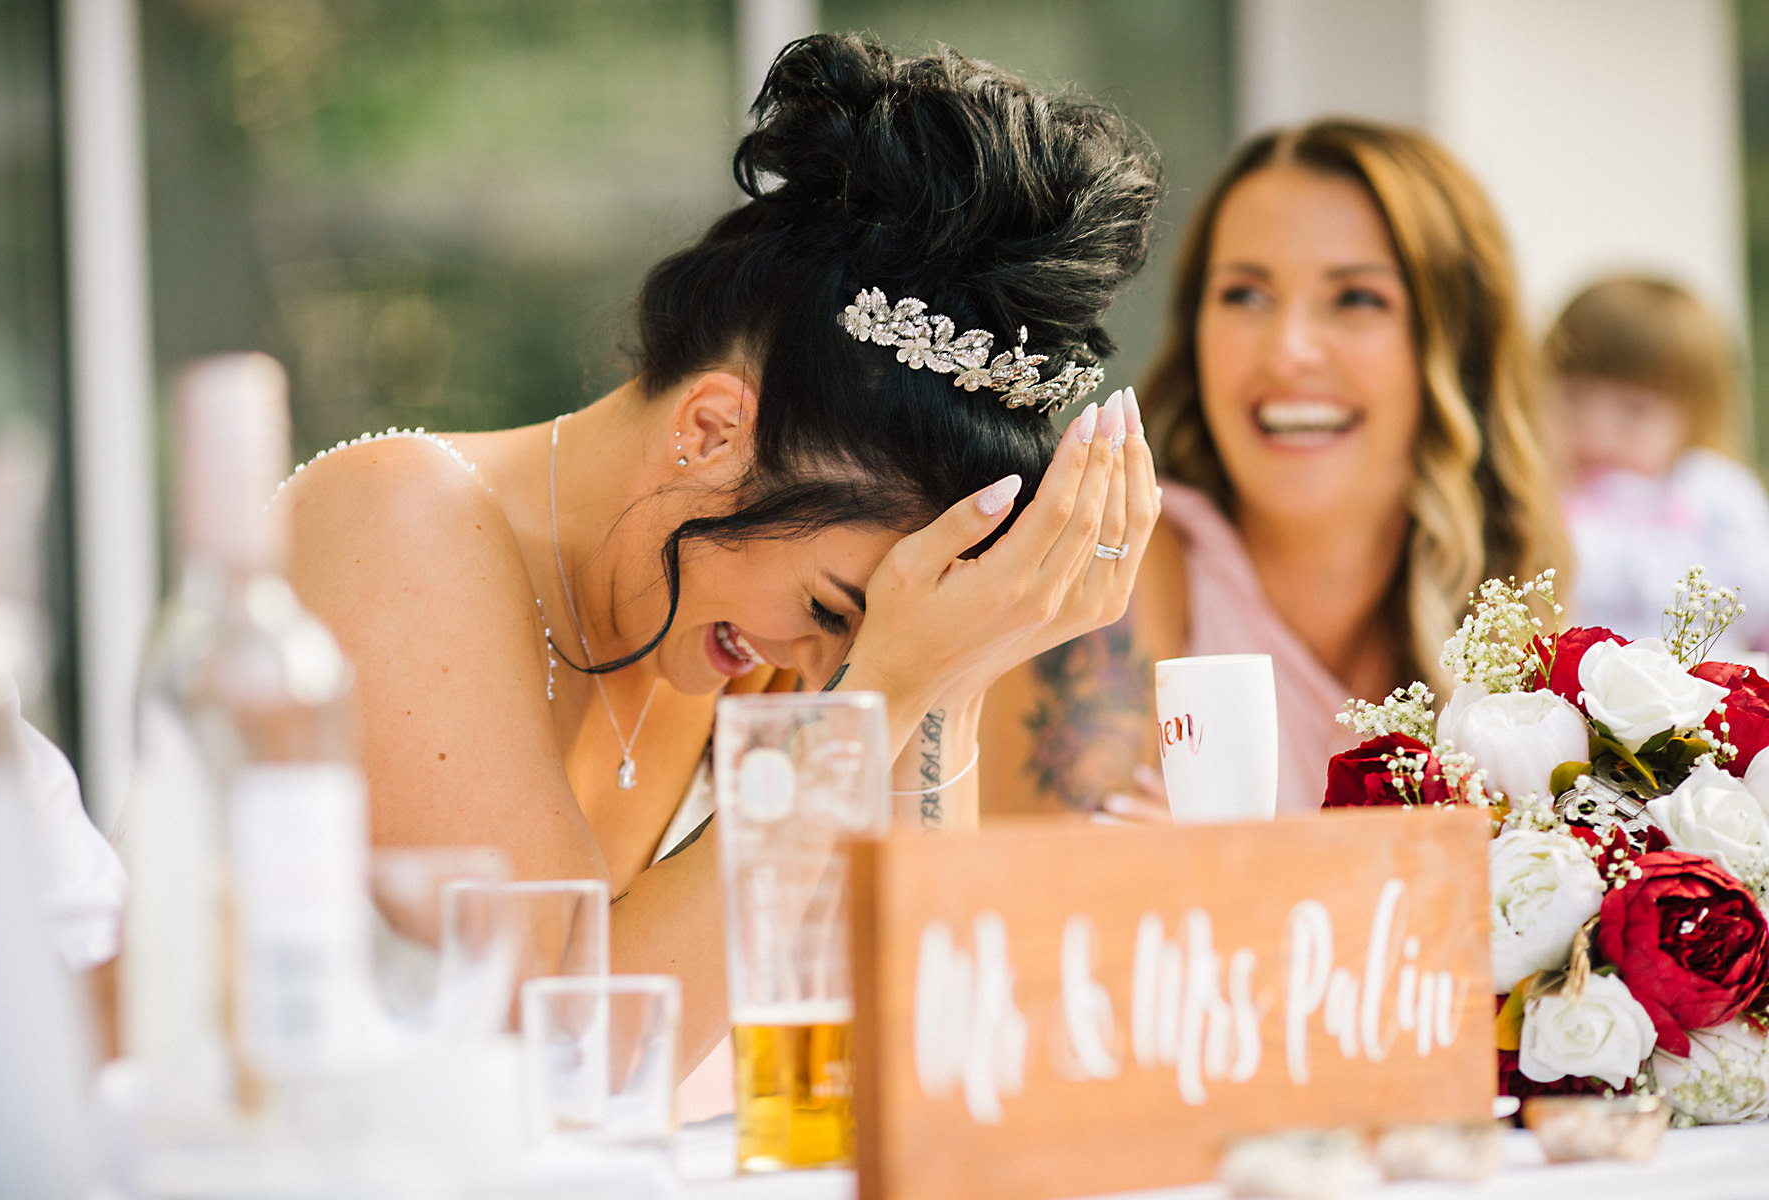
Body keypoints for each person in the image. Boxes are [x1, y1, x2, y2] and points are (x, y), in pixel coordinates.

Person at [278, 33, 1162, 1077]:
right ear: (709, 430)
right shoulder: (397, 521)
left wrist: (948, 677)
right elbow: (567, 1051)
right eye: (834, 608)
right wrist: (881, 692)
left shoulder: (744, 631)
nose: (823, 660)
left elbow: (917, 1034)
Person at [979, 119, 1567, 818]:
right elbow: (1059, 878)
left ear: (1456, 350)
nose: (1288, 351)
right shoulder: (1116, 569)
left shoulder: (1521, 616)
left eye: (1357, 298)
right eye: (1246, 294)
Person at [1544, 275, 1769, 654]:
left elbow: (1759, 594)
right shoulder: (1545, 496)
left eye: (1634, 412)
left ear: (1695, 416)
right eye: (1573, 398)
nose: (1597, 433)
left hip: (1705, 685)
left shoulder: (1716, 496)